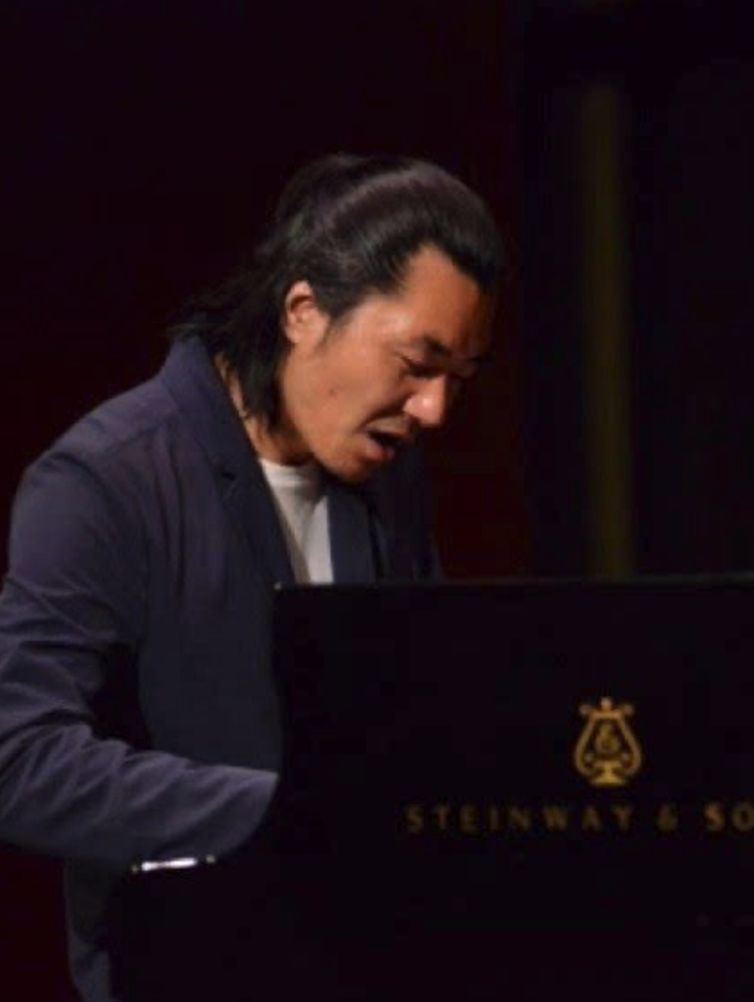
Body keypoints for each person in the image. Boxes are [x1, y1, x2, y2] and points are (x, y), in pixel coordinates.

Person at [0, 154, 503, 1001]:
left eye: (458, 378)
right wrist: (286, 813)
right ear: (304, 310)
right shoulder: (105, 480)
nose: (434, 410)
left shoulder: (393, 481)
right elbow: (18, 757)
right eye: (417, 363)